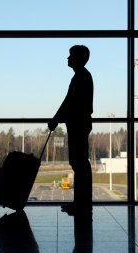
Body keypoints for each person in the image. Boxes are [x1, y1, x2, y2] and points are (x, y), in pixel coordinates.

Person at [48, 45, 93, 217]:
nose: (67, 59)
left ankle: (82, 204)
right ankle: (81, 203)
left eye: (70, 56)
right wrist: (57, 118)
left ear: (78, 59)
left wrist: (55, 118)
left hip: (78, 124)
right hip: (79, 123)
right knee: (80, 164)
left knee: (79, 163)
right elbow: (69, 103)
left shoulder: (80, 77)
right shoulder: (82, 76)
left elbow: (69, 103)